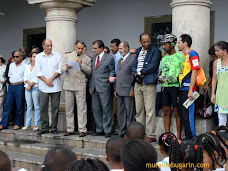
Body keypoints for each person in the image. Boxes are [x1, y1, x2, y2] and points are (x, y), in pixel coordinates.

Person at [132, 33, 161, 142]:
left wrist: (139, 72)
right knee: (139, 110)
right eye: (144, 42)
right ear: (140, 42)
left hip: (149, 83)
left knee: (149, 110)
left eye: (148, 41)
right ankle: (139, 133)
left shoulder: (155, 51)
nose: (146, 43)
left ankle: (151, 135)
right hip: (138, 83)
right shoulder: (138, 50)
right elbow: (134, 64)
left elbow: (153, 66)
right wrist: (135, 72)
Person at [62, 40, 91, 137]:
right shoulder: (68, 56)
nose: (80, 50)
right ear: (75, 47)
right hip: (69, 84)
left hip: (80, 85)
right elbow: (61, 69)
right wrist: (66, 67)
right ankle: (70, 129)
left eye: (82, 48)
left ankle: (82, 129)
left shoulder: (87, 58)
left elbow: (89, 71)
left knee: (82, 108)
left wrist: (82, 64)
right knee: (69, 108)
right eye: (78, 48)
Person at [159, 34, 184, 139]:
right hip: (165, 87)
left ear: (172, 45)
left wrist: (176, 78)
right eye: (163, 45)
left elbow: (184, 71)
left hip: (175, 87)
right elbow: (162, 71)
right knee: (166, 111)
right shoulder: (164, 58)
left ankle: (178, 137)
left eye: (165, 44)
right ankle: (167, 135)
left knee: (177, 111)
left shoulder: (180, 57)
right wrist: (160, 77)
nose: (164, 47)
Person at [89, 40, 115, 138]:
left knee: (106, 109)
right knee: (96, 109)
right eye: (93, 48)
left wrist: (110, 78)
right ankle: (99, 129)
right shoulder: (94, 58)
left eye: (95, 48)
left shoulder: (109, 58)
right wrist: (91, 86)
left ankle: (107, 130)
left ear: (101, 48)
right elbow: (92, 73)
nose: (93, 50)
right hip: (94, 87)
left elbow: (112, 71)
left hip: (104, 87)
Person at [36, 39, 62, 135]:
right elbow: (37, 71)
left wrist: (51, 79)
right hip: (43, 86)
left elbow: (59, 69)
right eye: (48, 46)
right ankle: (44, 127)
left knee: (55, 108)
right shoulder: (39, 57)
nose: (50, 47)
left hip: (55, 85)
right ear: (43, 46)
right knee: (43, 107)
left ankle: (54, 127)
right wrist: (46, 81)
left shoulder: (57, 55)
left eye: (51, 45)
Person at [177, 34, 200, 139]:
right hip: (182, 90)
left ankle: (192, 139)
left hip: (189, 91)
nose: (178, 44)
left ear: (185, 43)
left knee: (189, 117)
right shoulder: (184, 57)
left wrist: (191, 90)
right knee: (183, 116)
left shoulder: (193, 54)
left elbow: (195, 72)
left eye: (179, 42)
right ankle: (187, 138)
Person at [0, 51, 26, 131]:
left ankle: (18, 123)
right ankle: (4, 123)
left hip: (20, 85)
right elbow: (9, 76)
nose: (15, 58)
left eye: (17, 57)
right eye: (14, 56)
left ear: (21, 57)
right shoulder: (11, 65)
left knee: (19, 105)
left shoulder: (25, 66)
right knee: (7, 105)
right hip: (11, 86)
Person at [115, 41, 135, 137]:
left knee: (129, 112)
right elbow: (118, 75)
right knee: (120, 112)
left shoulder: (132, 59)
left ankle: (129, 132)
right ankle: (122, 130)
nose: (119, 50)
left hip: (128, 90)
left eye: (120, 48)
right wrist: (115, 89)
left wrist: (132, 89)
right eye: (119, 48)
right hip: (119, 90)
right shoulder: (119, 60)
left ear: (126, 48)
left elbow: (133, 76)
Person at [211, 41, 228, 126]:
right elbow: (214, 79)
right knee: (221, 120)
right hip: (220, 94)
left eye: (217, 51)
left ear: (224, 51)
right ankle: (223, 138)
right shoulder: (216, 63)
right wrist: (213, 94)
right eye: (215, 50)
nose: (215, 53)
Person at [22, 52, 40, 132]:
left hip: (35, 87)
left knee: (36, 106)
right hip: (27, 88)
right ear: (30, 58)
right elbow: (25, 76)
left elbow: (38, 77)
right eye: (33, 57)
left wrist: (31, 84)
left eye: (36, 57)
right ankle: (27, 124)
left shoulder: (39, 67)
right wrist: (28, 84)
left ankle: (36, 124)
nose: (35, 58)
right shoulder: (27, 67)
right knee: (29, 106)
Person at [0, 55, 6, 121]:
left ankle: (0, 120)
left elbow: (6, 76)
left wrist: (4, 79)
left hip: (1, 87)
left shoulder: (4, 67)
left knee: (0, 104)